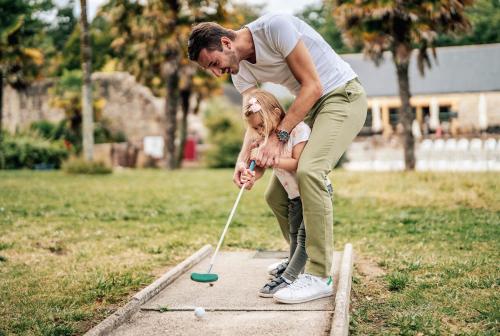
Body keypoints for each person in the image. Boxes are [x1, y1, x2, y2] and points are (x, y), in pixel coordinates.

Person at [188, 13, 367, 304]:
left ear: (225, 43)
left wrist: (278, 137)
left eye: (213, 63)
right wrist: (243, 160)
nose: (216, 73)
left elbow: (313, 87)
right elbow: (253, 122)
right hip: (308, 107)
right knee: (276, 195)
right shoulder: (240, 71)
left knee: (309, 173)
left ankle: (320, 276)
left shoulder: (275, 27)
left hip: (341, 96)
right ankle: (299, 257)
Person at [239, 90, 332, 300]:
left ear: (275, 112)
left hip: (313, 193)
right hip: (294, 195)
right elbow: (261, 167)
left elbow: (298, 163)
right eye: (255, 128)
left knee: (303, 236)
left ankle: (289, 278)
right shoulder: (265, 137)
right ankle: (293, 268)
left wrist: (273, 160)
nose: (260, 130)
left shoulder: (298, 130)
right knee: (293, 232)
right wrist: (253, 175)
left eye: (261, 125)